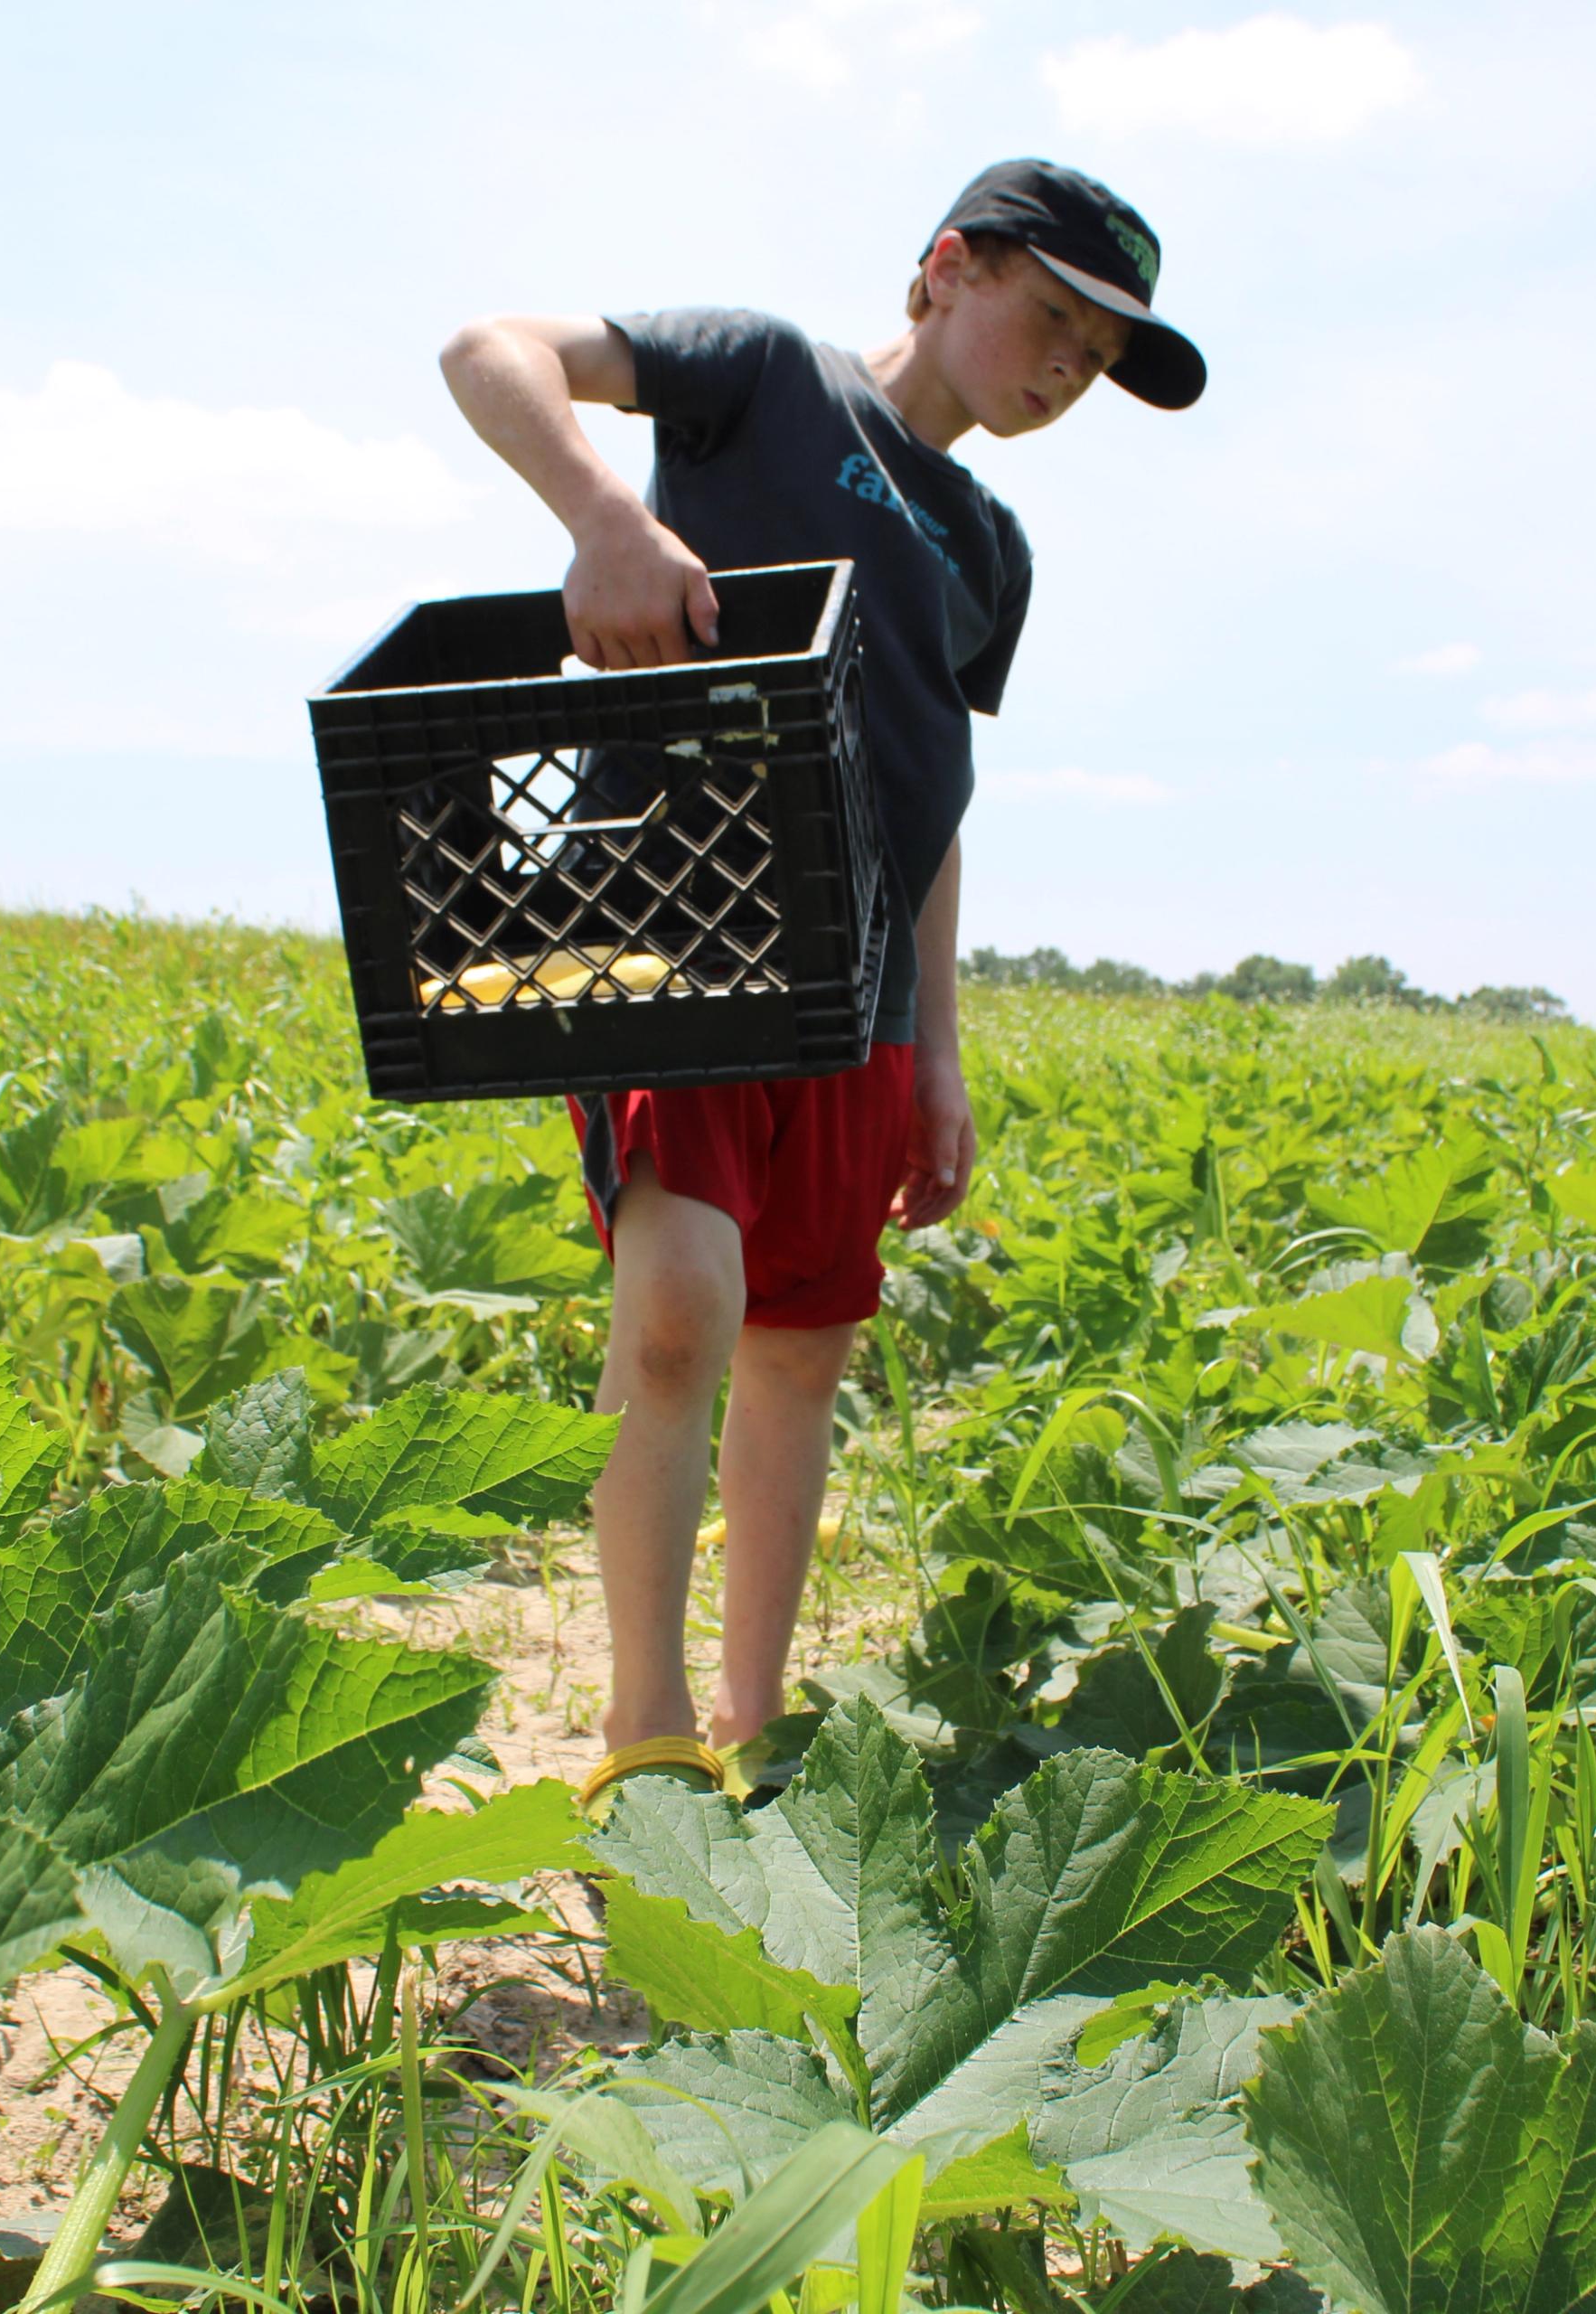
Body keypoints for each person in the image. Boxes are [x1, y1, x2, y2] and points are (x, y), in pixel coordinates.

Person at [437, 159, 1206, 1807]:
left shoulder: (991, 548)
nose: (1064, 369)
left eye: (1095, 359)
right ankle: (643, 1729)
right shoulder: (767, 376)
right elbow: (487, 349)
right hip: (678, 919)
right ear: (944, 270)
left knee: (802, 1348)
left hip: (855, 983)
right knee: (676, 1318)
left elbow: (935, 806)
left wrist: (941, 1052)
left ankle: (752, 1718)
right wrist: (606, 521)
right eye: (1050, 317)